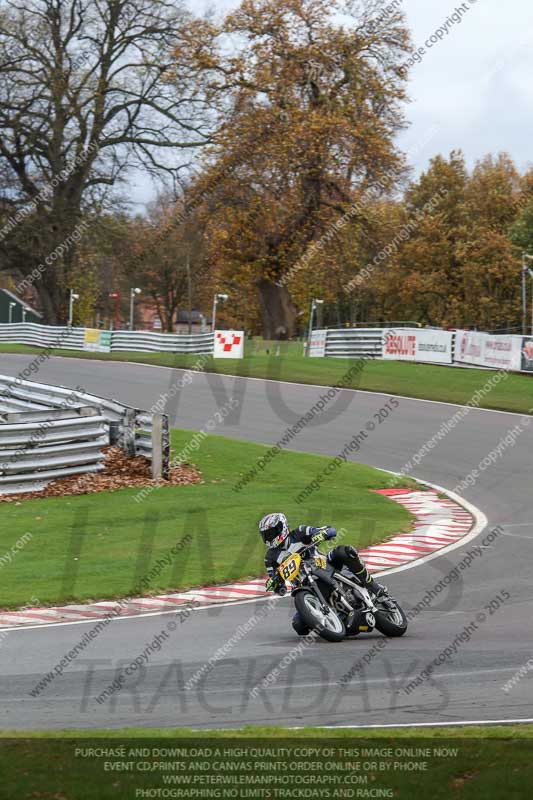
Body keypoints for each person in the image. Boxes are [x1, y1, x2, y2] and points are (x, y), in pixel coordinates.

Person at [260, 512, 387, 597]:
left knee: (345, 551)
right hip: (304, 586)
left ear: (281, 528)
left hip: (324, 564)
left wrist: (322, 534)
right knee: (299, 626)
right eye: (266, 535)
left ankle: (372, 585)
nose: (268, 538)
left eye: (271, 533)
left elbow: (330, 530)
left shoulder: (299, 532)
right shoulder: (270, 558)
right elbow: (276, 582)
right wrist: (276, 585)